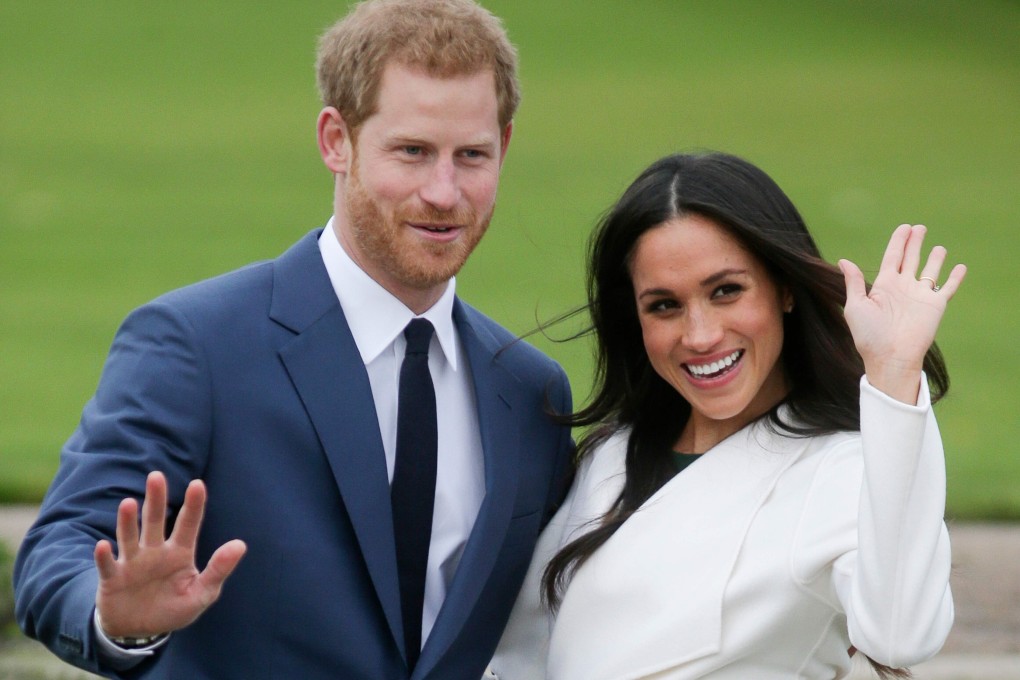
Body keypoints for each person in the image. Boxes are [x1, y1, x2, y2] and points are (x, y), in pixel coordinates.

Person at [13, 1, 574, 678]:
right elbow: (63, 547)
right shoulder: (196, 346)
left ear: (505, 148)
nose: (444, 192)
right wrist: (115, 622)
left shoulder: (530, 392)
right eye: (413, 151)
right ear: (336, 140)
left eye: (472, 156)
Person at [489, 151, 963, 679]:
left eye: (726, 291)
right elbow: (520, 654)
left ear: (784, 288)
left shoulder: (842, 467)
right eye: (664, 305)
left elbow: (901, 635)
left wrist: (894, 377)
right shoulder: (613, 452)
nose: (700, 335)